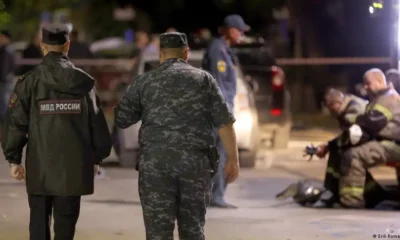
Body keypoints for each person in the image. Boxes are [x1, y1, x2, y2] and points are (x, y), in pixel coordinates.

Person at [114, 32, 239, 240]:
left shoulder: (145, 81)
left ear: (160, 54)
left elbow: (122, 119)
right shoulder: (204, 80)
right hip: (195, 166)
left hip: (156, 166)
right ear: (186, 53)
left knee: (158, 233)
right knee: (193, 231)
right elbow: (225, 122)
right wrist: (233, 160)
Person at [1, 24, 112, 240]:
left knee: (38, 225)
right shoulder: (83, 83)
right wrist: (96, 157)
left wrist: (14, 159)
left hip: (40, 168)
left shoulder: (29, 82)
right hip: (73, 169)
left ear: (42, 47)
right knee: (66, 228)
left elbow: (15, 123)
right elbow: (97, 124)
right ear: (67, 46)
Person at [332, 68, 400, 208]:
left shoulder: (387, 98)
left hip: (393, 145)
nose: (366, 87)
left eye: (368, 83)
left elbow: (372, 122)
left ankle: (352, 201)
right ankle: (371, 194)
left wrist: (352, 118)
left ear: (380, 81)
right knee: (352, 151)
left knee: (354, 156)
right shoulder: (382, 98)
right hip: (388, 143)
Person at [202, 14, 250, 208]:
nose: (242, 34)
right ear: (231, 30)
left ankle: (214, 195)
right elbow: (219, 83)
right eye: (240, 31)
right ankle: (215, 196)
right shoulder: (218, 50)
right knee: (220, 153)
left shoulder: (225, 50)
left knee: (219, 153)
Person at [311, 88, 386, 208]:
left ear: (336, 103)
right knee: (339, 150)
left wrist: (329, 146)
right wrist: (329, 146)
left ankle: (341, 193)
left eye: (331, 108)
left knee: (345, 155)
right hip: (372, 138)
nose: (331, 112)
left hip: (378, 140)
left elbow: (354, 135)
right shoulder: (348, 105)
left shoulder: (352, 110)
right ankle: (372, 192)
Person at [0, 30, 16, 121]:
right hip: (4, 79)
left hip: (4, 80)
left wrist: (5, 76)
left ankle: (5, 119)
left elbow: (9, 66)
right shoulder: (4, 50)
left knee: (4, 100)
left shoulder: (7, 51)